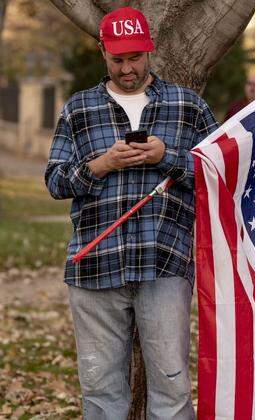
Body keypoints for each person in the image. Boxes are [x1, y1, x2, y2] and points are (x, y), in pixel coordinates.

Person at [45, 6, 218, 419]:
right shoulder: (79, 108)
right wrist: (102, 165)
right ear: (103, 51)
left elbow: (218, 174)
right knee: (101, 392)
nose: (127, 68)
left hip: (164, 262)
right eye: (118, 59)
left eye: (135, 58)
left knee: (172, 390)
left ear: (149, 49)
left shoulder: (187, 105)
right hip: (94, 263)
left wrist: (166, 157)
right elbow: (54, 181)